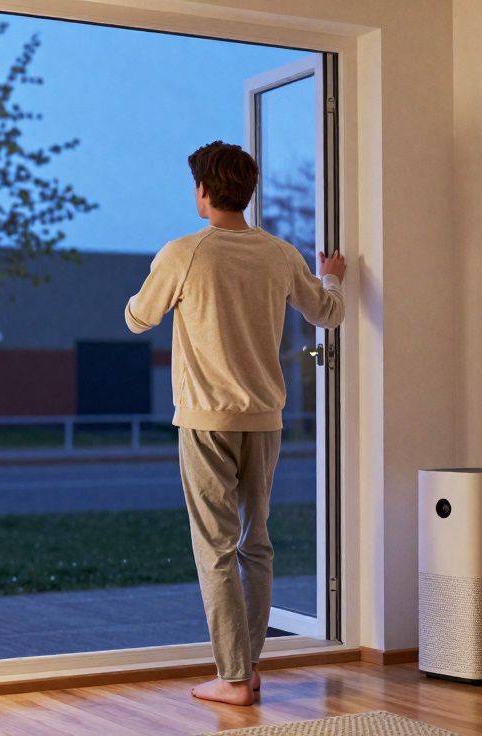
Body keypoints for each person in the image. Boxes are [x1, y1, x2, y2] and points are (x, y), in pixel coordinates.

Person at [124, 141, 346, 705]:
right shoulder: (278, 253)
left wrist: (168, 294)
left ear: (203, 190)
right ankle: (246, 669)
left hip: (205, 421)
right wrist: (333, 277)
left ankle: (231, 678)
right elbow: (329, 313)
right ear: (247, 192)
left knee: (216, 549)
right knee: (256, 544)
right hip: (264, 421)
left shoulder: (184, 253)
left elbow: (135, 317)